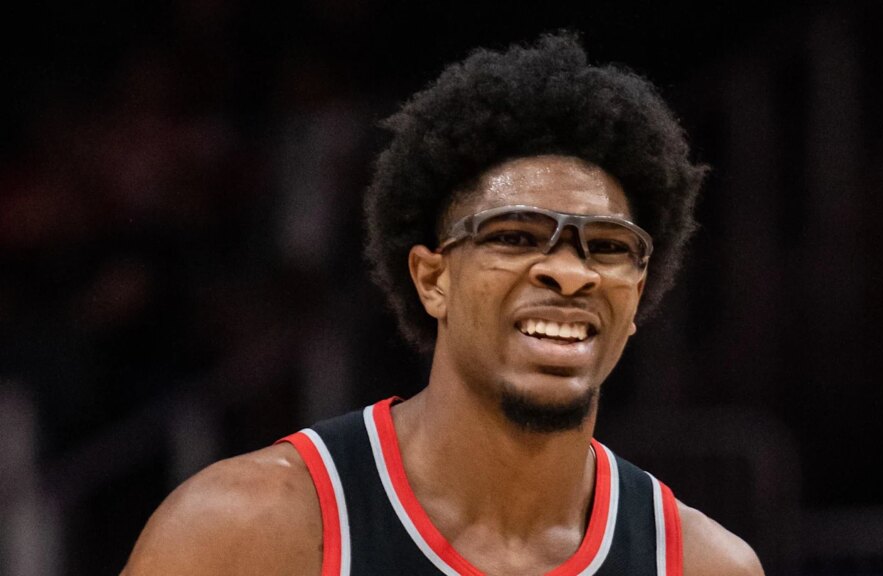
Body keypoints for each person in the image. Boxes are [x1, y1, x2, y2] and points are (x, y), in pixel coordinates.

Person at [122, 33, 764, 576]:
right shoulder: (246, 531)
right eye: (515, 237)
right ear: (433, 279)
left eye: (608, 246)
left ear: (638, 297)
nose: (569, 273)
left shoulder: (704, 563)